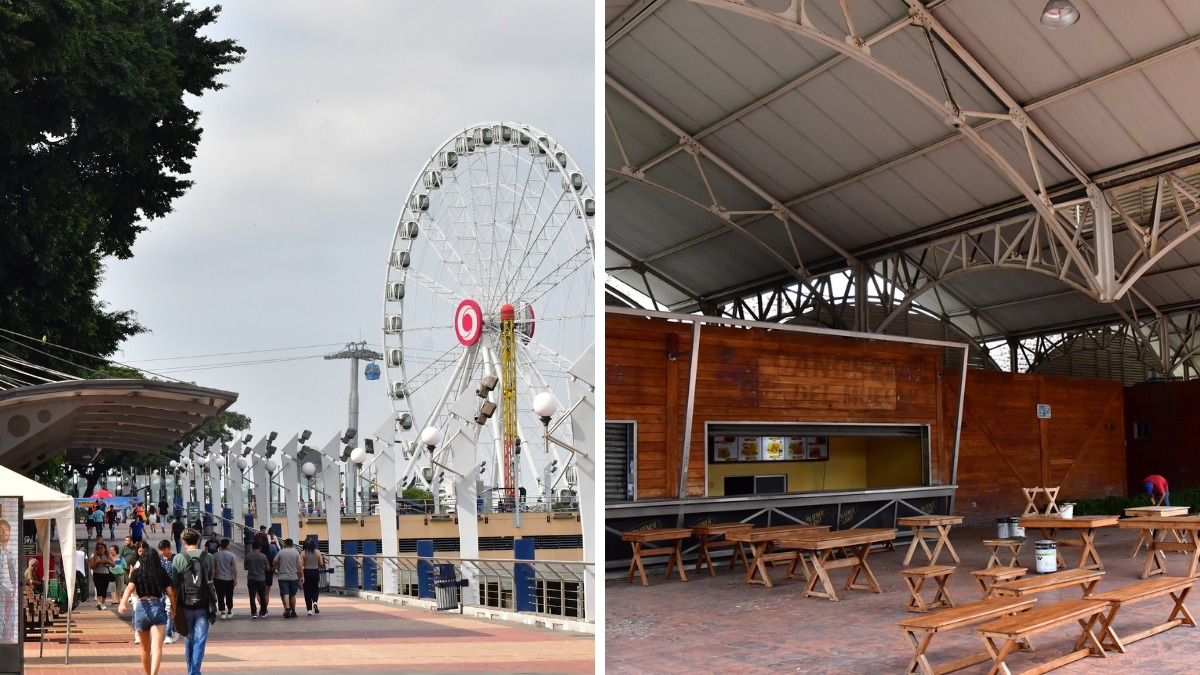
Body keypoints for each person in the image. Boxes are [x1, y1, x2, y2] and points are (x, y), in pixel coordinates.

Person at [119, 545, 175, 675]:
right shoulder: (161, 571)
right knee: (156, 647)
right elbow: (170, 593)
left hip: (141, 607)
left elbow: (129, 588)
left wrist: (122, 603)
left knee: (144, 648)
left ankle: (148, 673)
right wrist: (174, 607)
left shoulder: (137, 572)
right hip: (157, 607)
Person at [170, 528, 215, 675]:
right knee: (199, 642)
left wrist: (173, 608)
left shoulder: (178, 558)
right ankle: (194, 672)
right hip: (203, 606)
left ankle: (192, 671)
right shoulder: (208, 557)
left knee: (188, 641)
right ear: (198, 540)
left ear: (183, 542)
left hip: (185, 606)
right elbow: (209, 579)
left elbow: (174, 586)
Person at [272, 538, 301, 618]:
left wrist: (279, 563)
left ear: (285, 544)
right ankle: (294, 611)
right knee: (293, 595)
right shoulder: (296, 553)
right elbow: (299, 565)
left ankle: (287, 609)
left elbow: (274, 562)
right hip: (294, 577)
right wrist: (302, 575)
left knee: (286, 594)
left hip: (283, 576)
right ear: (292, 544)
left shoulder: (281, 552)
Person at [156, 540, 177, 644]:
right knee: (163, 612)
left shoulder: (176, 559)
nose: (163, 552)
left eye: (164, 549)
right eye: (161, 550)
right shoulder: (159, 560)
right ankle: (172, 629)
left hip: (172, 590)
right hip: (161, 591)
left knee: (170, 612)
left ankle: (168, 634)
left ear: (169, 548)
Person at [0, 520, 17, 644]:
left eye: (6, 529)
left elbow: (13, 575)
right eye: (1, 529)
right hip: (1, 588)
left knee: (10, 619)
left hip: (10, 589)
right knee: (1, 618)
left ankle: (7, 644)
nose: (4, 532)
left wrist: (14, 588)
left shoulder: (10, 555)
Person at [243, 541, 269, 618]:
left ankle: (254, 612)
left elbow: (245, 567)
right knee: (262, 595)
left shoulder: (248, 556)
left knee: (252, 596)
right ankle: (263, 611)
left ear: (252, 547)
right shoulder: (263, 556)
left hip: (251, 579)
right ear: (260, 547)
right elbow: (267, 568)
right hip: (261, 579)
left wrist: (251, 568)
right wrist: (261, 569)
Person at [212, 539, 236, 619]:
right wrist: (235, 578)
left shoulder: (215, 555)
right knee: (229, 595)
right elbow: (234, 568)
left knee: (220, 595)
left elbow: (213, 568)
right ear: (227, 545)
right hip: (229, 578)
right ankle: (229, 611)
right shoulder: (232, 555)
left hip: (219, 578)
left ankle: (222, 612)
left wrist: (213, 577)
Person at [300, 539, 323, 615]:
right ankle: (315, 602)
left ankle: (309, 610)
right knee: (315, 589)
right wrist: (316, 564)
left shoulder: (303, 553)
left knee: (307, 591)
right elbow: (321, 563)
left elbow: (301, 565)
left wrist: (302, 575)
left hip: (307, 572)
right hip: (315, 571)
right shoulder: (318, 552)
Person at [91, 541, 115, 610]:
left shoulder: (108, 556)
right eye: (99, 548)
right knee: (99, 588)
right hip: (97, 574)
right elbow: (91, 566)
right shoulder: (95, 556)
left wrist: (107, 561)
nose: (100, 549)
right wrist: (97, 562)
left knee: (104, 589)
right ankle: (99, 603)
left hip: (106, 575)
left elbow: (113, 565)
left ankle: (103, 603)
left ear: (105, 549)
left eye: (102, 548)